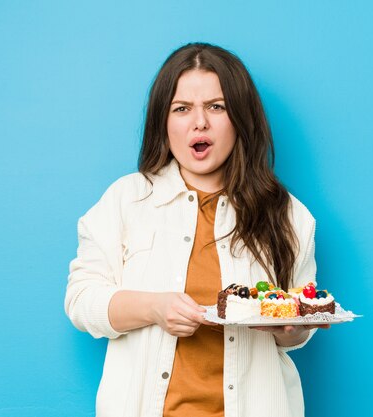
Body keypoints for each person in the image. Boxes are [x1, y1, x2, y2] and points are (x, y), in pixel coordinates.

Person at [65, 42, 329, 417]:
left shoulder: (287, 215)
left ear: (241, 118)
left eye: (216, 107)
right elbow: (81, 301)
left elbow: (298, 331)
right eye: (182, 109)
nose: (199, 122)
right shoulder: (126, 199)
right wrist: (154, 307)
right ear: (164, 121)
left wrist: (293, 329)